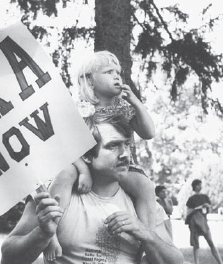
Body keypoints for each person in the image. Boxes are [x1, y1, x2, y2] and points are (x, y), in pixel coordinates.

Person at [1, 112, 184, 264]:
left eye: (126, 144)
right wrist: (42, 234)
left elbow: (176, 262)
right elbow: (8, 258)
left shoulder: (142, 203)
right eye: (113, 146)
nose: (125, 154)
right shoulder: (54, 197)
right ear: (87, 156)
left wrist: (145, 233)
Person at [44, 50, 157, 260]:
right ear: (89, 80)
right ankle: (50, 233)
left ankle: (148, 243)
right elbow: (65, 143)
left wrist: (136, 102)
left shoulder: (123, 106)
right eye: (108, 71)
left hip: (121, 165)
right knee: (65, 175)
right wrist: (83, 170)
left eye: (118, 72)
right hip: (81, 162)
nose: (116, 76)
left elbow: (148, 132)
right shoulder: (81, 108)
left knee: (145, 185)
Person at [185, 179, 223, 264]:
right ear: (194, 186)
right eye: (198, 185)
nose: (200, 186)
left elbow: (208, 210)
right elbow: (188, 211)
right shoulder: (191, 199)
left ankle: (220, 262)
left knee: (211, 242)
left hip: (203, 222)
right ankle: (196, 263)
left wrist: (207, 207)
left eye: (200, 185)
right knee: (196, 245)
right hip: (194, 224)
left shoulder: (205, 197)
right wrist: (200, 207)